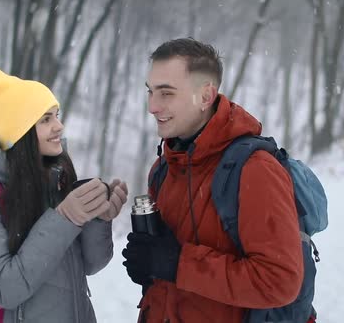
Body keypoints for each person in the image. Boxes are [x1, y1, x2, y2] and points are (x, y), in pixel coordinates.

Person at [122, 38, 304, 322]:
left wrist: (178, 264)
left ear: (205, 96)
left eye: (166, 93)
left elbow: (279, 281)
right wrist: (151, 267)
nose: (152, 107)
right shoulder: (164, 168)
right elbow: (170, 273)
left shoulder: (254, 170)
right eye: (150, 92)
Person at [0, 66, 128, 322]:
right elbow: (5, 287)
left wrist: (98, 219)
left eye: (57, 116)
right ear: (19, 132)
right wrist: (65, 219)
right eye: (45, 119)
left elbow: (91, 264)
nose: (59, 126)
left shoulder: (56, 184)